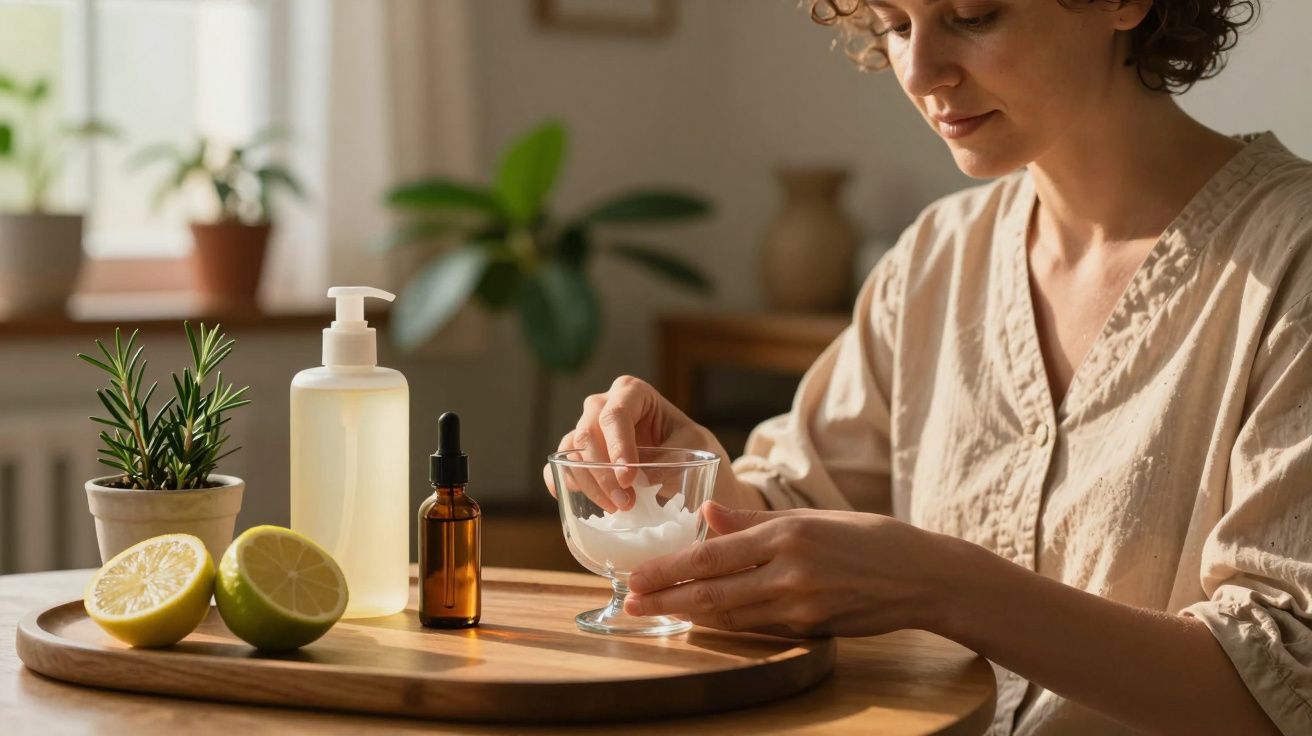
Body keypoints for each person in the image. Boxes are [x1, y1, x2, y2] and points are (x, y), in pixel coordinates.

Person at [544, 1, 1310, 733]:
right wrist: (686, 479)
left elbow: (1282, 688)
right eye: (894, 24)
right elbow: (802, 509)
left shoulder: (1293, 263)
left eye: (973, 17)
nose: (918, 72)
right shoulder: (935, 260)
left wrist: (941, 585)